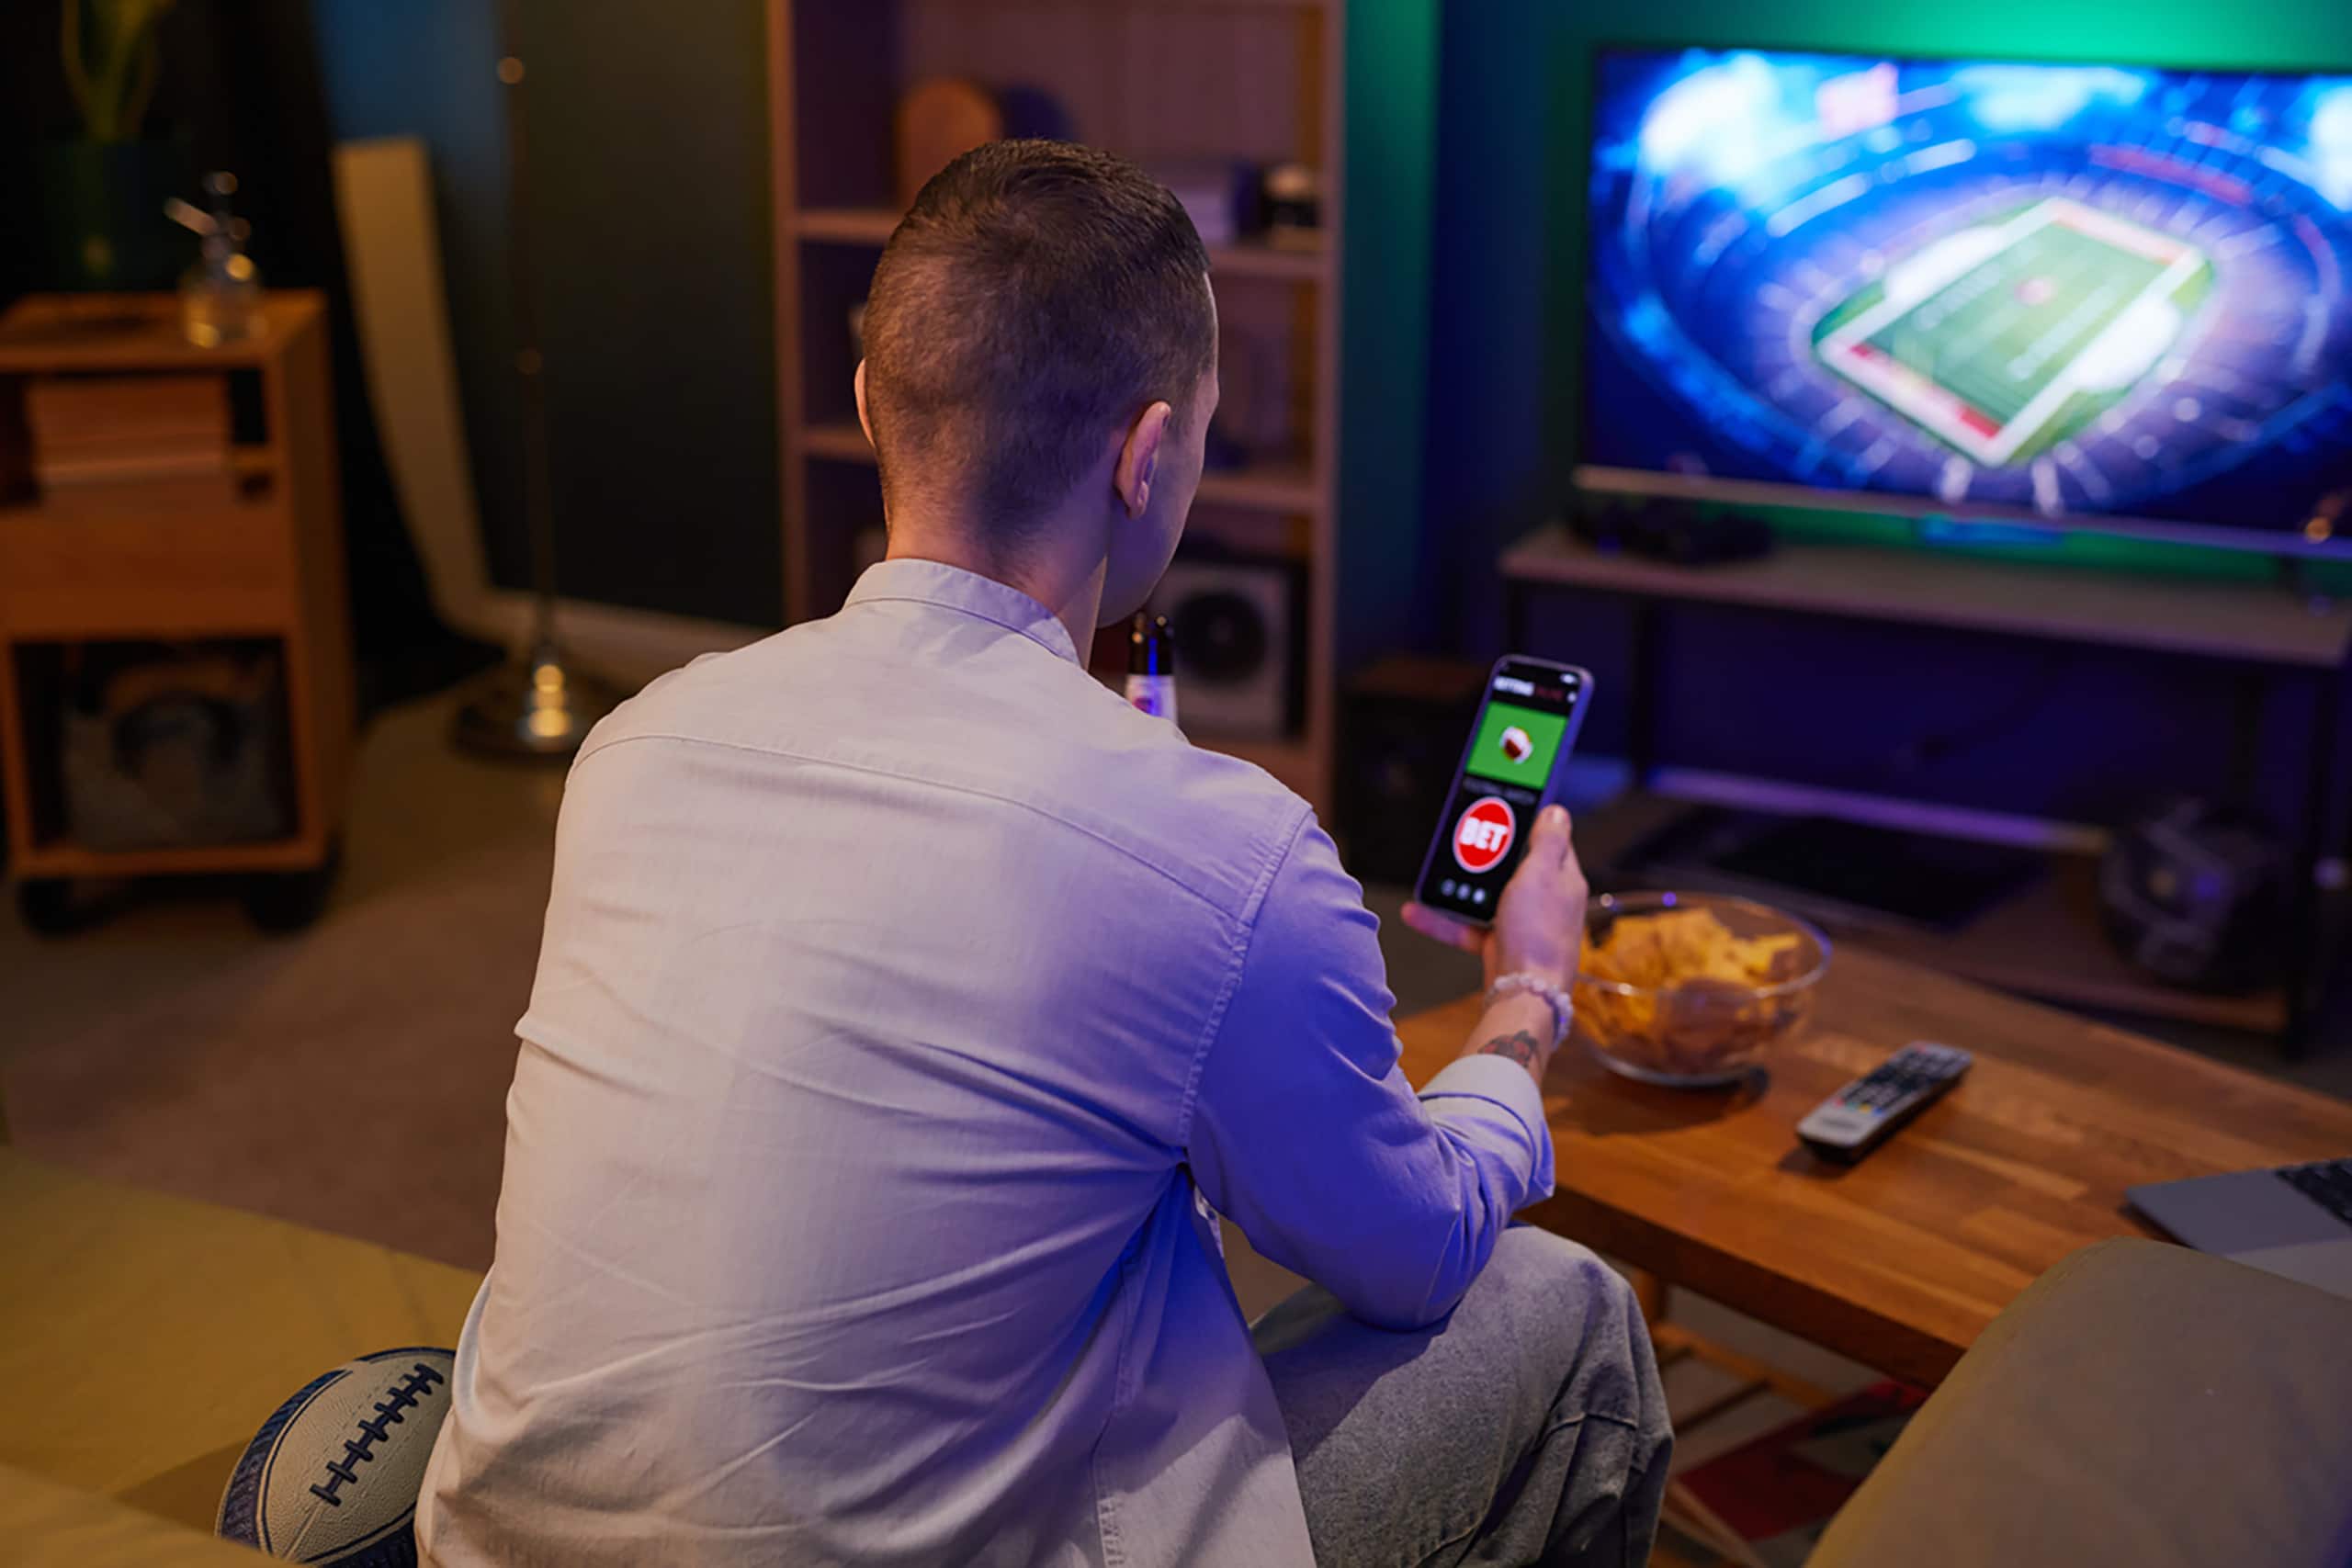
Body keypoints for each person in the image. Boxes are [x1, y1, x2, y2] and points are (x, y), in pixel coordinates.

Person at [415, 140, 1668, 1568]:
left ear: (871, 404)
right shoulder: (1228, 853)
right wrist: (1529, 1000)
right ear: (1145, 457)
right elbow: (1414, 1249)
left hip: (503, 1550)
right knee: (1562, 1308)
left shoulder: (637, 745)